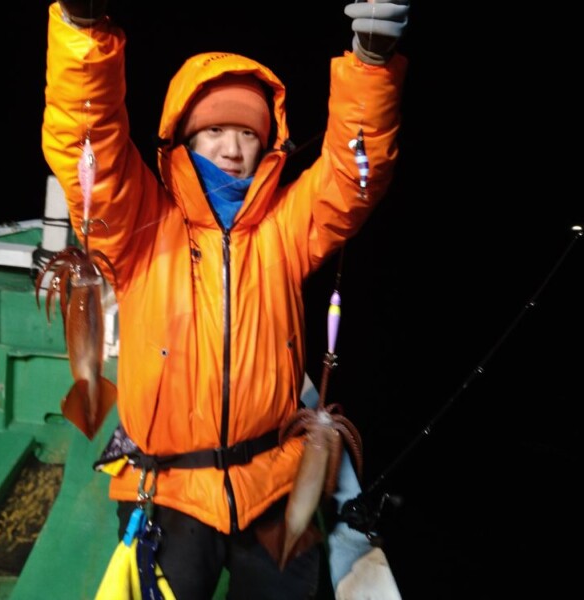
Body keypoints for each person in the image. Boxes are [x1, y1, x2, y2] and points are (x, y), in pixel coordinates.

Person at [41, 1, 409, 598]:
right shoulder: (140, 224)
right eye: (214, 131)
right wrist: (84, 32)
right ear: (185, 138)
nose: (233, 148)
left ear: (268, 144)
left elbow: (354, 176)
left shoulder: (286, 228)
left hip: (275, 485)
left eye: (248, 133)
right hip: (168, 492)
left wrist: (370, 64)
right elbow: (90, 145)